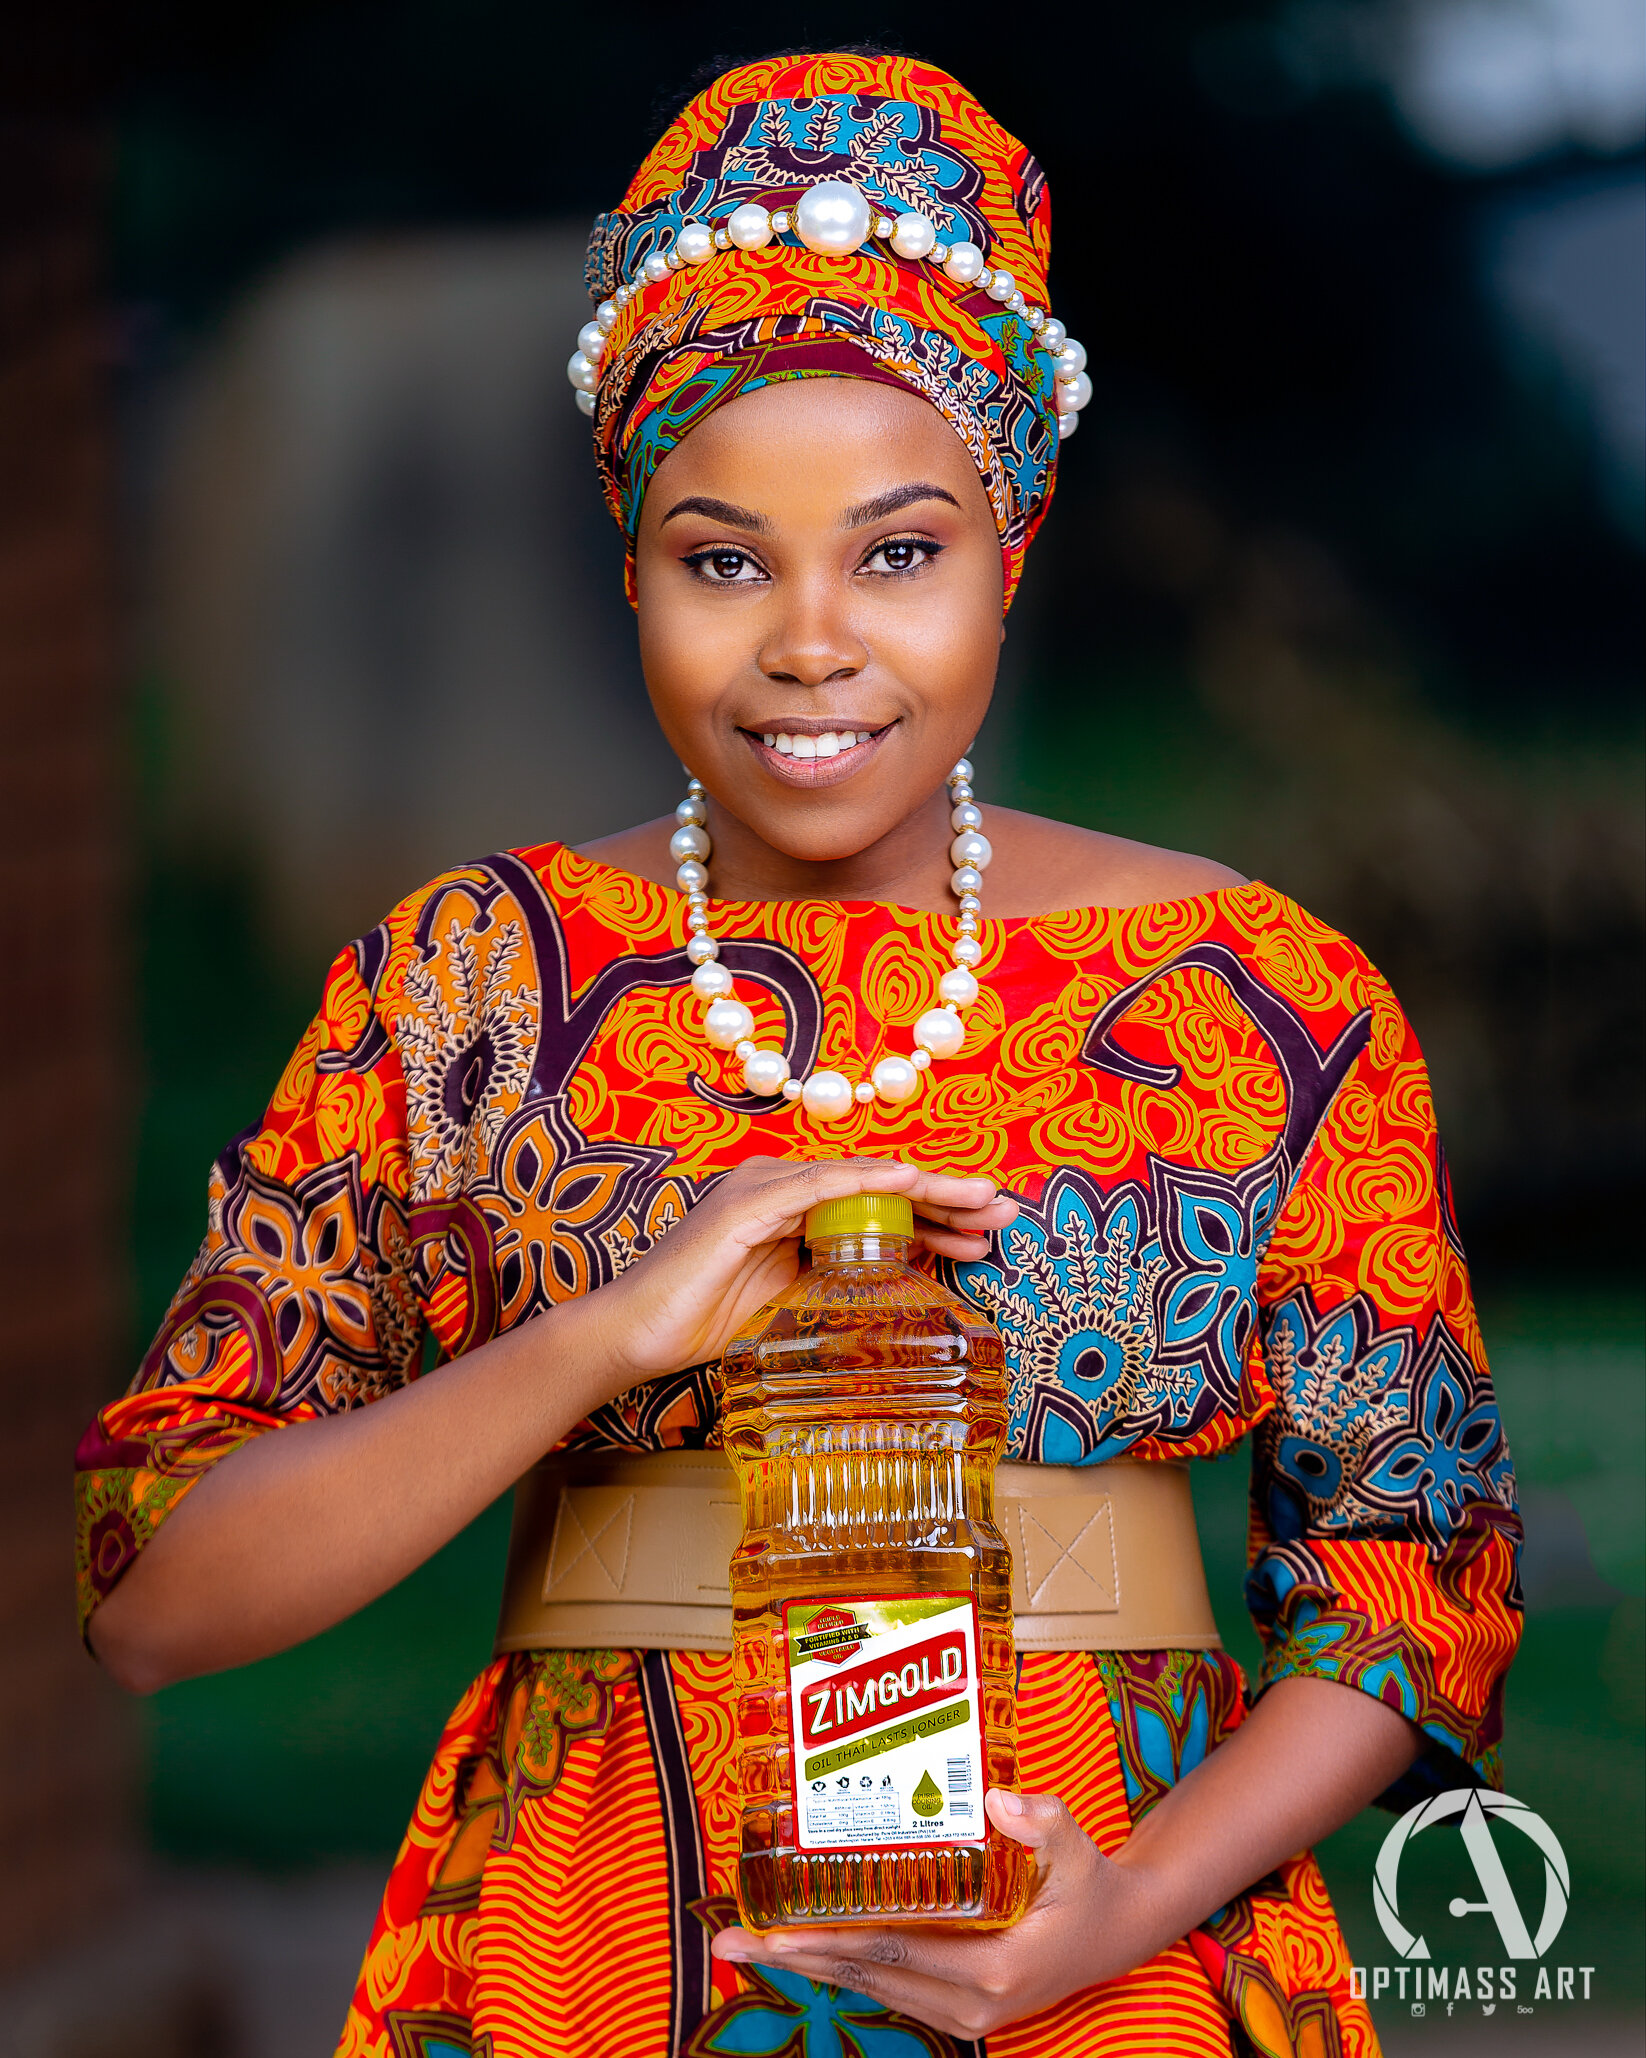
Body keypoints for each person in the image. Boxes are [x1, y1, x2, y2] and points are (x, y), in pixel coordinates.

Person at [75, 50, 1522, 2058]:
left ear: (1010, 550)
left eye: (898, 552)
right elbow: (156, 1598)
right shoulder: (471, 987)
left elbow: (1409, 1583)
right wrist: (608, 1332)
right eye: (725, 557)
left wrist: (1120, 1912)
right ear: (633, 568)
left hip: (1113, 1948)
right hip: (594, 1958)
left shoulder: (1251, 995)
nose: (810, 640)